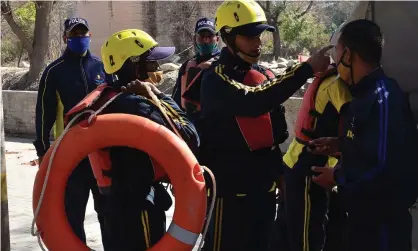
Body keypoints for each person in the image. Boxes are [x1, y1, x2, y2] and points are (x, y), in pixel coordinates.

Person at [198, 0, 332, 250]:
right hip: (230, 192)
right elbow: (254, 101)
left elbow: (271, 135)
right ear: (228, 36)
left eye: (259, 35)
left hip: (263, 188)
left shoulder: (260, 73)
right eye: (249, 36)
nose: (257, 43)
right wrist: (306, 69)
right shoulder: (215, 79)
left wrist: (278, 174)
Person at [309, 19, 418, 251]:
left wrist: (337, 178)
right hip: (362, 219)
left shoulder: (384, 98)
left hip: (382, 226)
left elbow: (384, 166)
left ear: (348, 55)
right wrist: (339, 144)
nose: (335, 62)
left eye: (337, 52)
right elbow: (370, 145)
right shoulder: (363, 94)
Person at [96, 29, 200, 250]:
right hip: (138, 207)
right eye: (152, 63)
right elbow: (190, 137)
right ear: (135, 66)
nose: (158, 68)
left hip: (118, 205)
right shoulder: (135, 105)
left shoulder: (111, 98)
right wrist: (158, 96)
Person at [33, 17, 110, 249]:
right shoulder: (54, 72)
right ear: (66, 38)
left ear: (89, 35)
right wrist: (43, 151)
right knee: (72, 214)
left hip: (101, 154)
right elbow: (43, 114)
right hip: (70, 156)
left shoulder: (101, 67)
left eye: (83, 33)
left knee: (108, 212)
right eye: (74, 34)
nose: (80, 38)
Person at [279, 54, 351, 251]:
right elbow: (352, 121)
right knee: (308, 234)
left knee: (294, 229)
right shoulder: (336, 85)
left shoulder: (325, 80)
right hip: (309, 166)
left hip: (295, 159)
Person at [172, 17, 221, 135]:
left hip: (217, 127)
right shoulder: (186, 66)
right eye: (202, 36)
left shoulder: (224, 63)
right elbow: (176, 98)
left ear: (217, 39)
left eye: (210, 36)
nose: (205, 40)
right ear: (195, 39)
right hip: (191, 125)